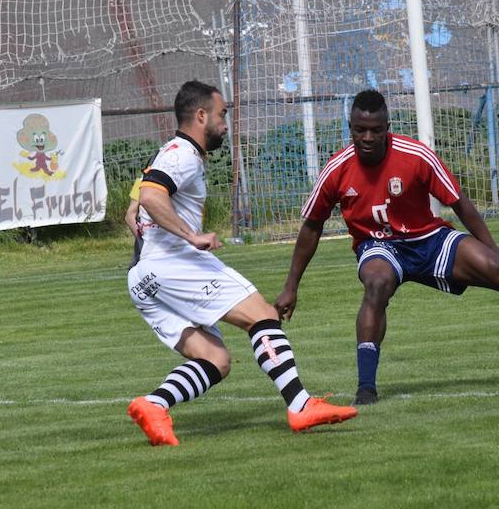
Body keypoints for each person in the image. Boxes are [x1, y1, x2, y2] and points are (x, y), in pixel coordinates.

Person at [275, 89, 499, 406]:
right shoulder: (336, 168)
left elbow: (460, 204)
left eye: (375, 130)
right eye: (359, 130)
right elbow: (312, 227)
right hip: (378, 247)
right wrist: (291, 286)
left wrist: (495, 253)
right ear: (350, 128)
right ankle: (366, 387)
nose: (367, 137)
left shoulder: (415, 155)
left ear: (387, 129)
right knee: (376, 284)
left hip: (429, 240)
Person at [126, 80, 357, 446]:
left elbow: (133, 209)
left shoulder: (166, 154)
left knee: (215, 360)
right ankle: (300, 405)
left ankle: (153, 405)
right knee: (262, 314)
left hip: (143, 277)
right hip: (171, 264)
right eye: (221, 115)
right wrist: (191, 236)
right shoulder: (182, 153)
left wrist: (152, 239)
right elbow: (152, 197)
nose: (224, 123)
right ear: (201, 115)